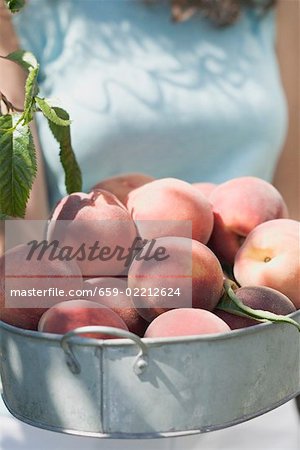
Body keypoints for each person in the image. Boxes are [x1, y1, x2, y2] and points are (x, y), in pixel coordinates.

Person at [0, 1, 299, 449]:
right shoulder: (24, 9)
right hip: (84, 390)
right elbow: (17, 222)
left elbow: (291, 194)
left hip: (246, 377)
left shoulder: (271, 5)